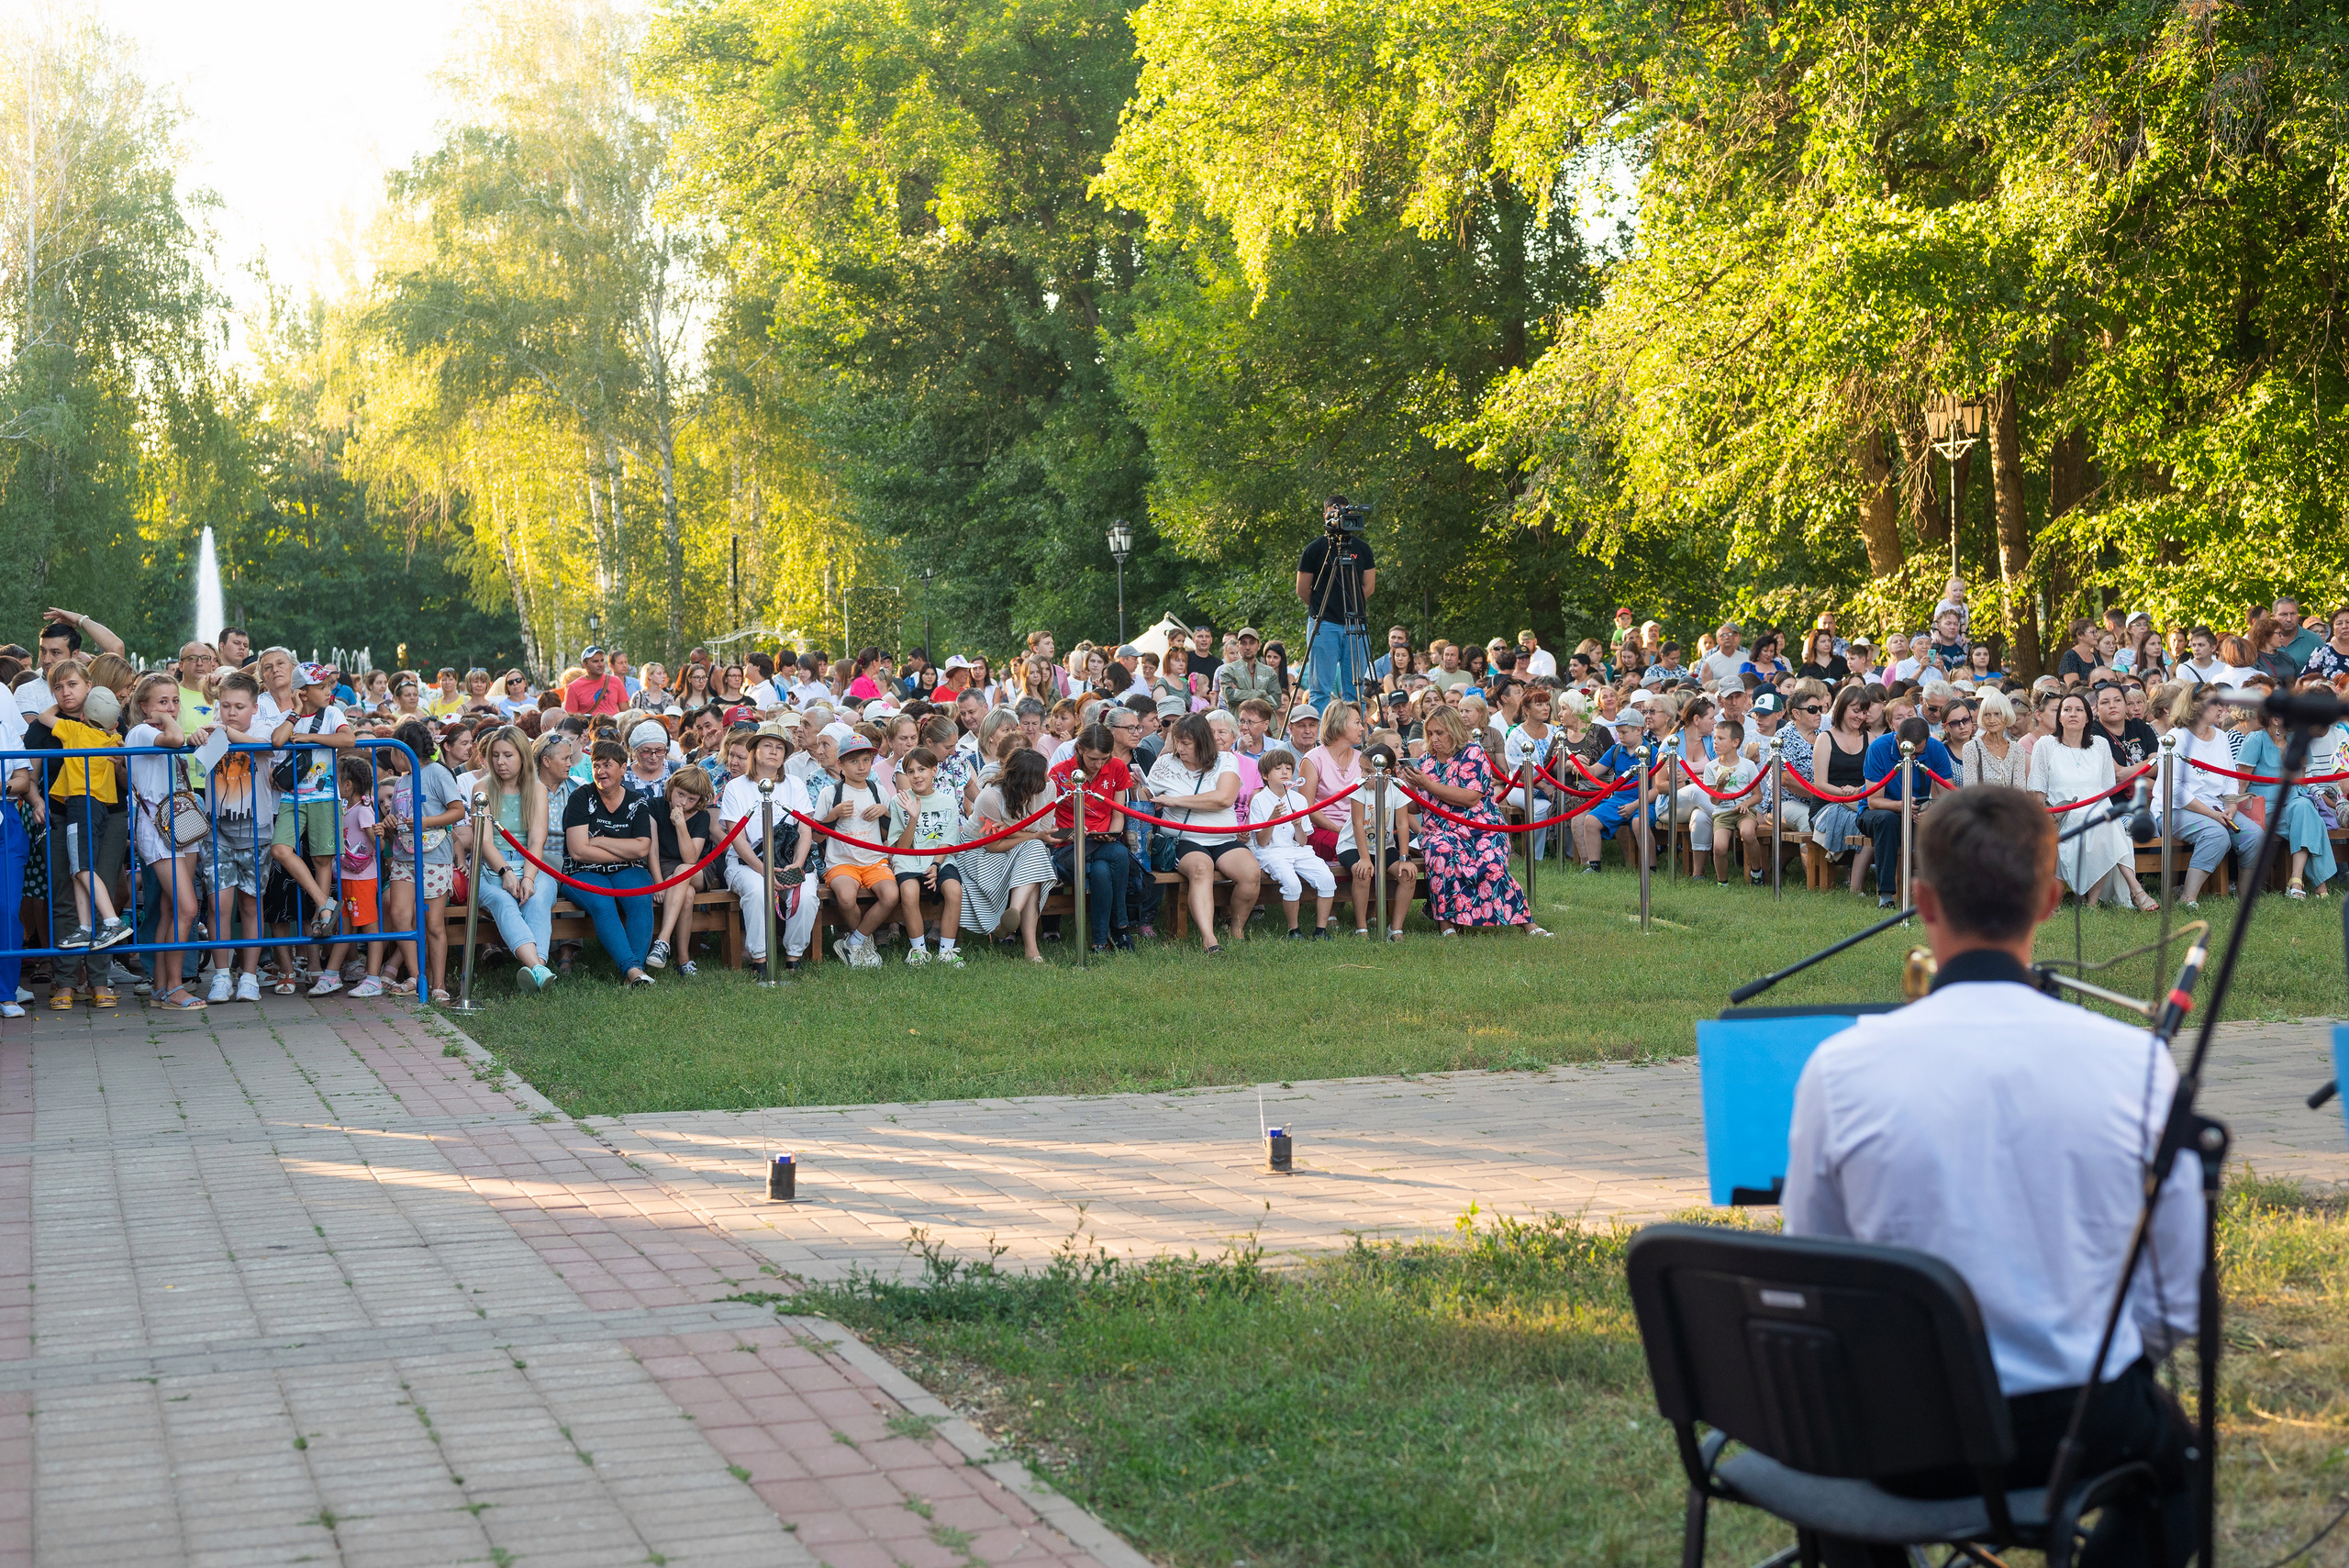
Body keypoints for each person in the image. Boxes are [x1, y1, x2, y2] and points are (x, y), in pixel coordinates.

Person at [1785, 785, 2198, 1568]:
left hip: (1894, 1426)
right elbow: (2176, 1296)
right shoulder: (2136, 1060)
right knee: (2183, 1469)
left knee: (1835, 1444)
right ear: (2050, 898)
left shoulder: (1839, 1066)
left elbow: (1819, 1271)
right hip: (2075, 1427)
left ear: (1920, 902)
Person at [1407, 706, 1545, 937]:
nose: (1434, 739)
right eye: (1430, 733)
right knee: (1442, 853)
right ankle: (1447, 924)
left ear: (1454, 730)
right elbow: (1418, 805)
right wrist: (1403, 787)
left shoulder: (1472, 752)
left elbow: (1471, 798)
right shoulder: (1425, 761)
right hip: (1440, 829)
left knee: (1490, 861)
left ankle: (1524, 921)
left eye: (1440, 732)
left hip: (1481, 825)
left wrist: (1428, 785)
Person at [2028, 693, 2156, 910]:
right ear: (2059, 717)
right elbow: (2038, 791)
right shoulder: (2046, 745)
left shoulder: (2100, 745)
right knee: (2107, 825)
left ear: (2088, 717)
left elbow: (2106, 789)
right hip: (2063, 815)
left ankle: (2095, 901)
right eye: (2067, 709)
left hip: (2097, 810)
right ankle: (2135, 891)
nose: (2073, 714)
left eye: (2079, 710)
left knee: (2105, 824)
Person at [123, 673, 204, 1010]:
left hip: (180, 824)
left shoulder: (163, 732)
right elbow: (172, 737)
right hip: (158, 829)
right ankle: (174, 987)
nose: (171, 707)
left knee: (172, 908)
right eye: (162, 702)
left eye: (174, 701)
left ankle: (160, 987)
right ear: (144, 707)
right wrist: (173, 722)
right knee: (188, 908)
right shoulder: (141, 730)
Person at [1148, 713, 1261, 951]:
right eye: (1177, 741)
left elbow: (1224, 798)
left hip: (1223, 837)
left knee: (1250, 873)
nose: (1180, 748)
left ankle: (1236, 930)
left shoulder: (1225, 760)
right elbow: (1149, 798)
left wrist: (1177, 801)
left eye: (1186, 743)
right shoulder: (1165, 762)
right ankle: (1209, 939)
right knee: (1201, 868)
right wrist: (1136, 786)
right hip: (1184, 838)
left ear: (1201, 741)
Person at [719, 722, 816, 979]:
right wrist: (764, 871)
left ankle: (794, 956)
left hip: (789, 858)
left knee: (806, 894)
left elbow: (805, 830)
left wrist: (797, 864)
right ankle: (760, 959)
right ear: (755, 750)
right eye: (767, 746)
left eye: (780, 748)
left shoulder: (795, 785)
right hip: (747, 861)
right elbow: (737, 838)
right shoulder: (736, 787)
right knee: (757, 889)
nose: (774, 752)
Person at [562, 738, 659, 986]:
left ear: (623, 768)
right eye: (596, 765)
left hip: (628, 870)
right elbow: (578, 852)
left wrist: (599, 840)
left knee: (639, 898)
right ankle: (633, 970)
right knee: (602, 902)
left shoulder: (637, 801)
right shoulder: (581, 797)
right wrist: (626, 849)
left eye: (607, 765)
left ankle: (633, 974)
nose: (600, 771)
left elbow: (642, 848)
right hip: (583, 872)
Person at [472, 724, 559, 990]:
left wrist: (529, 878)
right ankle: (538, 968)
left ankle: (536, 969)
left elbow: (536, 840)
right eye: (495, 755)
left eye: (507, 755)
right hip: (493, 867)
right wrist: (506, 872)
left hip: (531, 863)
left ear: (522, 755)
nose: (500, 762)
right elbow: (485, 842)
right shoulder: (482, 787)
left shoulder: (538, 789)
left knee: (538, 898)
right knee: (503, 901)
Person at [958, 748, 1059, 962]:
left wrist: (1011, 830)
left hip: (1020, 848)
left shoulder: (1049, 787)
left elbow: (1042, 829)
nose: (1047, 778)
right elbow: (993, 846)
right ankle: (1032, 951)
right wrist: (1029, 835)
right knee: (1034, 857)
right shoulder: (990, 798)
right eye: (1041, 776)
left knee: (1035, 851)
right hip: (980, 851)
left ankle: (1013, 912)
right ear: (1025, 782)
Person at [2232, 706, 2337, 898]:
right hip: (2265, 805)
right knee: (2311, 820)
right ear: (2274, 719)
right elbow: (2242, 782)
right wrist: (2234, 810)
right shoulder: (2256, 739)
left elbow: (2303, 781)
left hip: (2293, 800)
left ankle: (2296, 880)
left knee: (2305, 808)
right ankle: (2320, 886)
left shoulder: (2298, 740)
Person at [813, 731, 899, 966]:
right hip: (841, 862)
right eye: (854, 761)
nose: (861, 767)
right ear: (840, 764)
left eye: (866, 760)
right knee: (846, 897)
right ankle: (863, 943)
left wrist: (885, 812)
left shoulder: (877, 791)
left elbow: (887, 835)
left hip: (875, 860)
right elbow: (817, 837)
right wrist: (834, 815)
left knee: (891, 895)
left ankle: (856, 941)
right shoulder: (829, 794)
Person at [1045, 724, 1132, 952]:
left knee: (1103, 870)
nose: (1099, 765)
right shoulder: (1058, 773)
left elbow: (1118, 813)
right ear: (1079, 749)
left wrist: (1112, 836)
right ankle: (1121, 928)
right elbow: (1044, 824)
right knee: (1119, 853)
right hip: (1068, 847)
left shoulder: (1118, 767)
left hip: (1104, 842)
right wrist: (1070, 834)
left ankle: (1099, 942)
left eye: (1105, 758)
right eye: (1093, 758)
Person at [1858, 710, 1955, 907]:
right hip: (1878, 814)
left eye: (1918, 753)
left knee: (1950, 822)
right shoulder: (1878, 748)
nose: (1912, 756)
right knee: (1888, 820)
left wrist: (1931, 812)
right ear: (1897, 739)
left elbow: (1948, 795)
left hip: (1917, 812)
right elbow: (1873, 802)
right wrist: (1901, 805)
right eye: (1906, 752)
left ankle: (1947, 893)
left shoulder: (1936, 749)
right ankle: (1886, 895)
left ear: (1928, 741)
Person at [887, 746, 966, 966]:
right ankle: (918, 950)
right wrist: (913, 817)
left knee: (954, 890)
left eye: (921, 769)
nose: (916, 776)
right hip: (909, 859)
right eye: (910, 771)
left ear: (934, 770)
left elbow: (947, 841)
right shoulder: (899, 802)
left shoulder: (948, 802)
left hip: (939, 858)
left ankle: (947, 951)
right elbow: (900, 848)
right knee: (909, 891)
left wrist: (935, 865)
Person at [1296, 497, 1376, 708]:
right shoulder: (1314, 549)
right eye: (1333, 512)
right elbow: (1303, 589)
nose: (1339, 516)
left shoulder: (1363, 548)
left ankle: (1355, 738)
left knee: (1354, 689)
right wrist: (1325, 607)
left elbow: (1368, 587)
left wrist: (1351, 606)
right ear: (1325, 516)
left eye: (1342, 512)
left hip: (1354, 624)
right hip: (1324, 625)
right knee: (1321, 689)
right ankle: (1322, 738)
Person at [642, 765, 714, 975]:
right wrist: (658, 883)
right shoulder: (654, 807)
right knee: (687, 895)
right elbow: (652, 852)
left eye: (691, 799)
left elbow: (691, 858)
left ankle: (662, 941)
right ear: (671, 787)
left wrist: (681, 824)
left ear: (699, 800)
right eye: (680, 794)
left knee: (684, 870)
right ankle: (683, 960)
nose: (683, 802)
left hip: (697, 869)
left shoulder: (702, 817)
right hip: (664, 868)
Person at [563, 647, 629, 715]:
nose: (600, 664)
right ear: (585, 665)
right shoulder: (573, 687)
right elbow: (569, 718)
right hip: (589, 724)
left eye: (602, 660)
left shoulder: (615, 681)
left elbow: (626, 713)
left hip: (613, 724)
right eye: (595, 661)